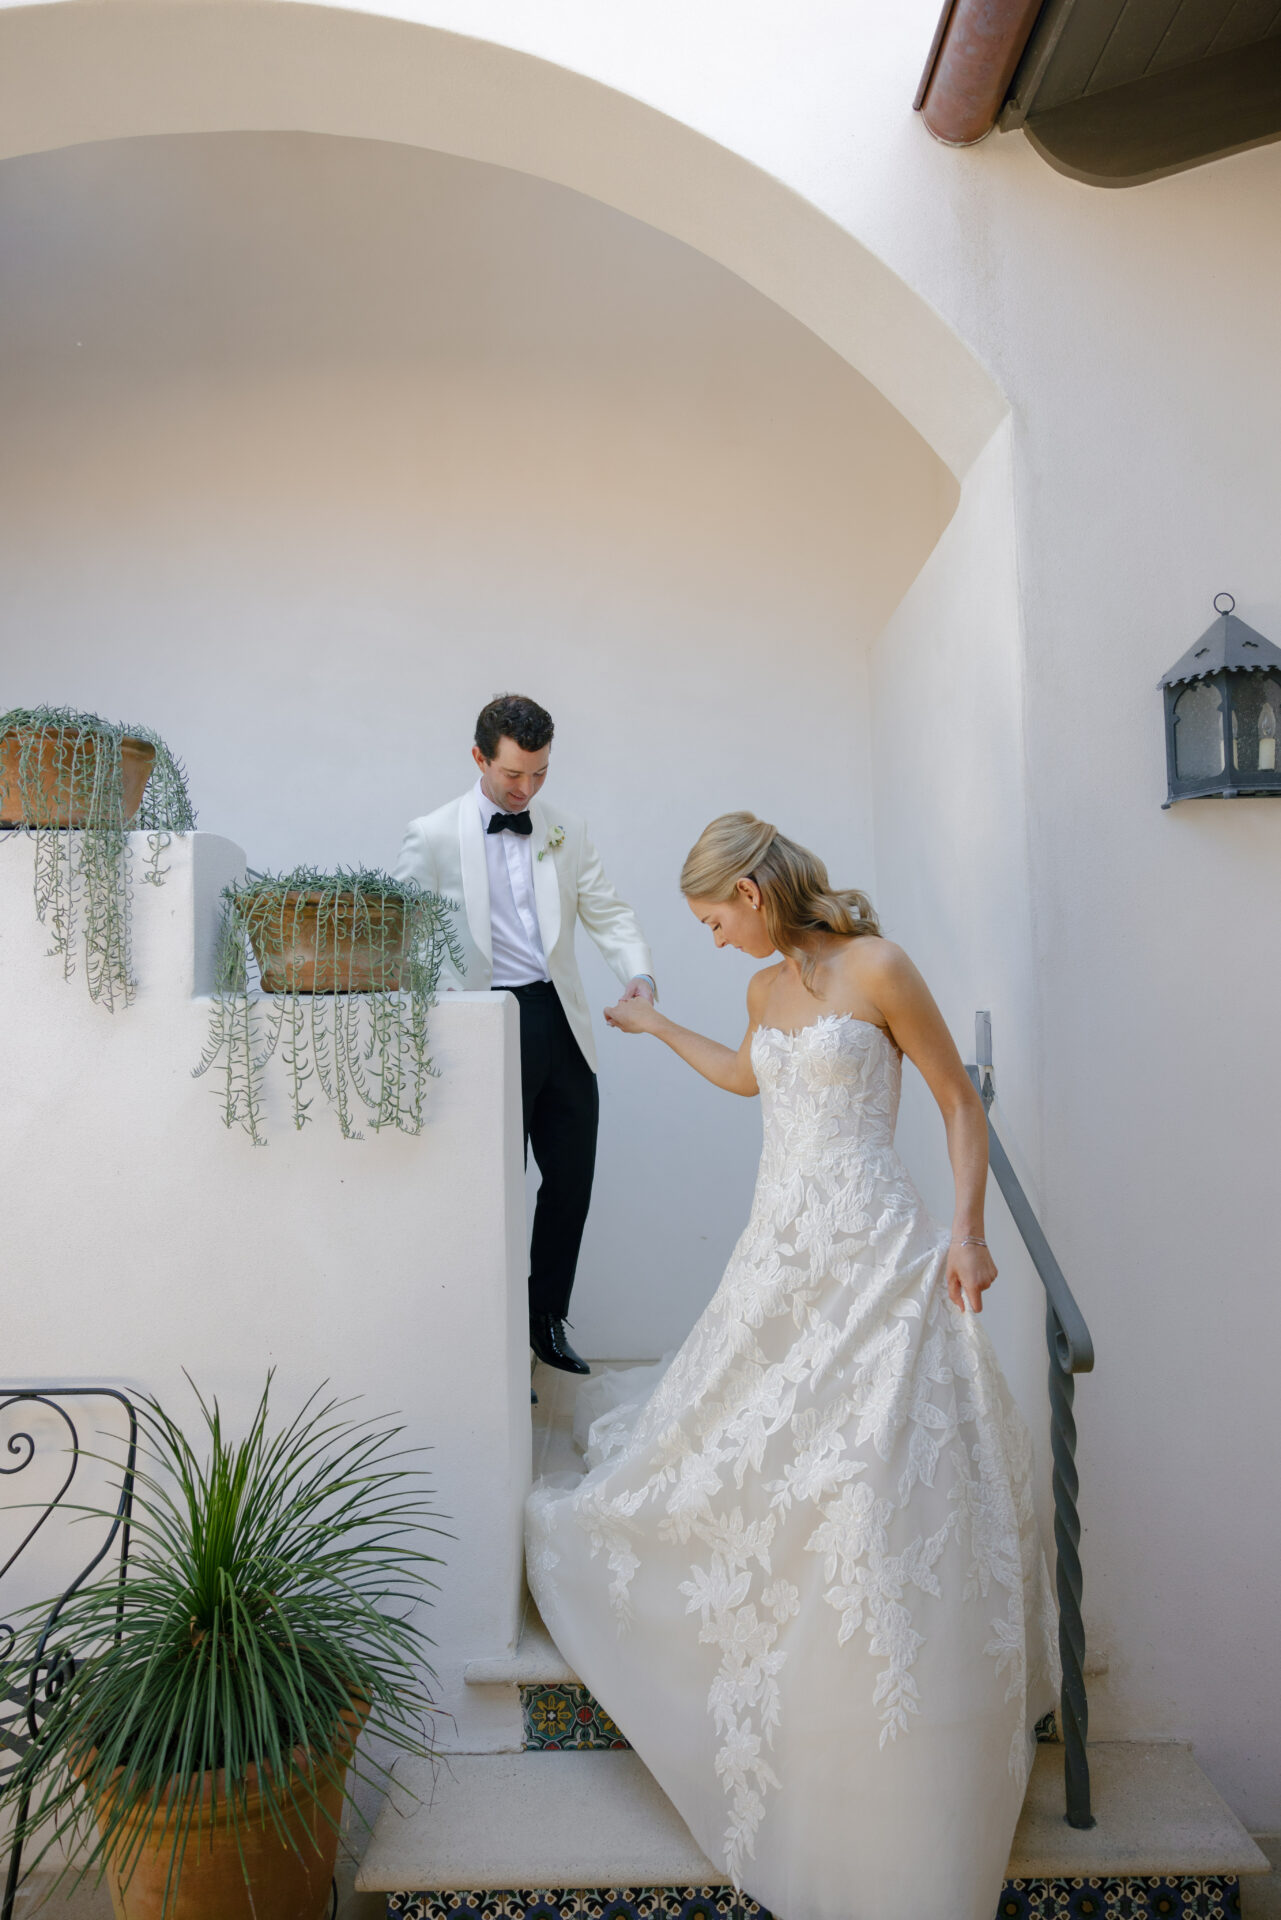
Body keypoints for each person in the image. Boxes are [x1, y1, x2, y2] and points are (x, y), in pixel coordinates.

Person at [525, 813, 1056, 1920]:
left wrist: (966, 1235)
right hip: (779, 1252)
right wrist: (654, 1024)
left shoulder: (879, 968)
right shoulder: (764, 990)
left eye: (713, 920)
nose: (714, 938)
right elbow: (745, 1078)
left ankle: (887, 1700)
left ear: (753, 894)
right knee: (745, 1444)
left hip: (877, 1254)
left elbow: (957, 1103)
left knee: (870, 1472)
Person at [394, 695, 656, 1379]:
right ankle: (493, 1345)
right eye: (513, 774)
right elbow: (405, 934)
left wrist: (638, 975)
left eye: (539, 774)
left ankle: (545, 1322)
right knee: (492, 1189)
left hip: (559, 1019)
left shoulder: (565, 829)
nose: (526, 789)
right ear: (479, 758)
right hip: (482, 1024)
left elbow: (607, 912)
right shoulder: (431, 834)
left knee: (570, 1180)